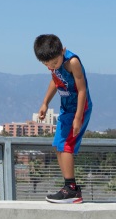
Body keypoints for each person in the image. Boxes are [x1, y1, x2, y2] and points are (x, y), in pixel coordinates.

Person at [34, 33, 92, 204]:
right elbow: (55, 80)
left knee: (66, 146)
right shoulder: (54, 64)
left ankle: (72, 189)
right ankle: (68, 186)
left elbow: (82, 90)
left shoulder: (72, 62)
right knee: (58, 145)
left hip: (78, 109)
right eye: (46, 64)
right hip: (65, 109)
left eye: (54, 63)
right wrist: (45, 103)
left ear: (62, 51)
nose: (51, 66)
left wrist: (78, 118)